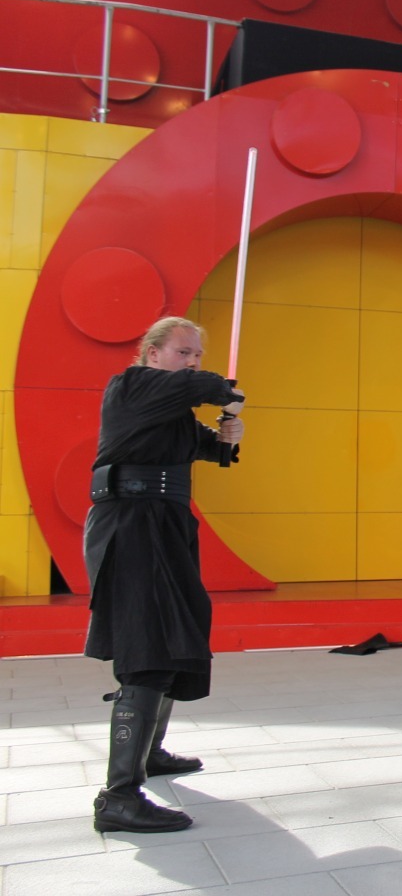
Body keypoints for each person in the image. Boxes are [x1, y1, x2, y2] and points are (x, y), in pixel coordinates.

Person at [84, 316, 245, 833]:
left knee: (176, 633)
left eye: (197, 354)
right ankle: (118, 796)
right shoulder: (132, 387)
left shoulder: (168, 409)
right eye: (183, 351)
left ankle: (149, 754)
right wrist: (224, 390)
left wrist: (228, 436)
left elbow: (209, 448)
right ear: (152, 353)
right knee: (147, 642)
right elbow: (202, 387)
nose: (192, 361)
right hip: (132, 524)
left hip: (165, 524)